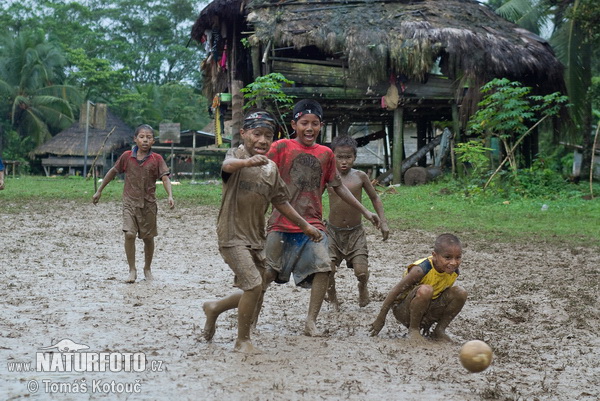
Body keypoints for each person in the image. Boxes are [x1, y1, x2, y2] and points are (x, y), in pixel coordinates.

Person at [202, 110, 323, 353]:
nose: (262, 140)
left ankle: (215, 307)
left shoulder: (271, 168)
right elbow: (227, 166)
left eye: (268, 136)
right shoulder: (235, 156)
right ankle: (242, 341)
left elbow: (281, 201)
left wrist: (305, 226)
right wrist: (246, 162)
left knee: (256, 289)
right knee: (254, 286)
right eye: (256, 134)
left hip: (256, 238)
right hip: (231, 235)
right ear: (244, 133)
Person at [261, 99, 381, 337]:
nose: (309, 128)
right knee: (267, 274)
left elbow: (338, 186)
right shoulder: (280, 147)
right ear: (294, 124)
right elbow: (262, 177)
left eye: (314, 124)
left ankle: (310, 322)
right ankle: (251, 319)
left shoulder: (326, 154)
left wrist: (366, 211)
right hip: (281, 222)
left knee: (324, 268)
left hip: (314, 224)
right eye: (304, 123)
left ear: (321, 126)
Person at [92, 124, 174, 283]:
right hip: (129, 202)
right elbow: (113, 172)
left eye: (148, 137)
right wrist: (99, 190)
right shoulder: (126, 157)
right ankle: (132, 270)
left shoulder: (157, 159)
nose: (145, 140)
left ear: (153, 141)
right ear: (135, 139)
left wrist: (170, 195)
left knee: (148, 238)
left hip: (148, 204)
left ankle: (147, 269)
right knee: (129, 234)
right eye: (142, 137)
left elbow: (165, 178)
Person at [326, 135, 389, 309]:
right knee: (328, 269)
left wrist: (383, 222)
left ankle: (363, 287)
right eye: (339, 157)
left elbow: (375, 198)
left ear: (354, 157)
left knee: (361, 272)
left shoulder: (360, 176)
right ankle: (332, 297)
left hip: (355, 232)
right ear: (333, 156)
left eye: (348, 157)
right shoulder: (328, 177)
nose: (344, 161)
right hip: (332, 231)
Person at [370, 233, 467, 344]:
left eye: (458, 257)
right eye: (447, 257)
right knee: (426, 290)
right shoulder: (421, 269)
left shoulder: (453, 271)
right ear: (434, 256)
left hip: (427, 307)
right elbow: (395, 291)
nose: (454, 262)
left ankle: (439, 330)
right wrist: (381, 318)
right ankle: (414, 330)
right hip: (405, 311)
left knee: (460, 293)